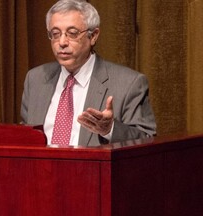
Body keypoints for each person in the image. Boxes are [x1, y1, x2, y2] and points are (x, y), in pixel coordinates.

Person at [21, 0, 156, 146]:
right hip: (41, 168)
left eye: (72, 33)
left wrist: (110, 129)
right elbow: (24, 137)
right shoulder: (35, 79)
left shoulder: (129, 83)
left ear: (93, 36)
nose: (62, 42)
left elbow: (147, 140)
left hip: (93, 168)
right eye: (55, 34)